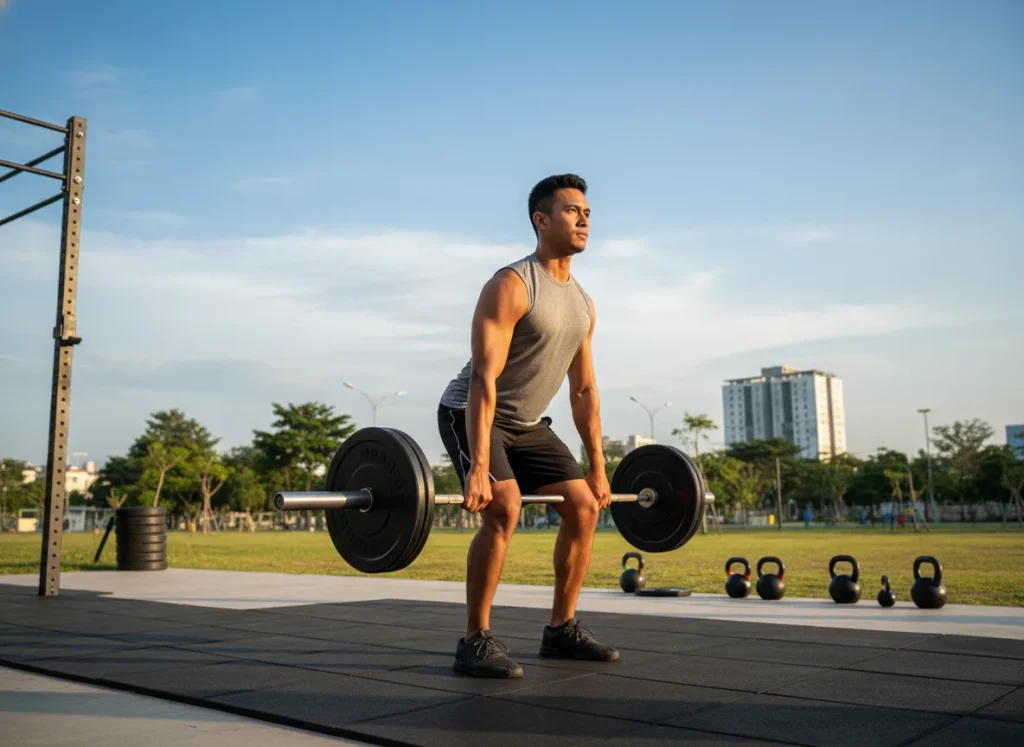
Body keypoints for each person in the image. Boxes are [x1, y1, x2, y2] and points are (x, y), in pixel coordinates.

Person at [437, 174, 619, 679]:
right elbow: (482, 377)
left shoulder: (583, 304)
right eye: (571, 211)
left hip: (529, 424)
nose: (584, 219)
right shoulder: (512, 285)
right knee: (505, 505)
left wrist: (598, 467)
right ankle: (474, 639)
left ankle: (561, 630)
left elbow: (583, 391)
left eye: (587, 212)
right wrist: (478, 467)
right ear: (541, 220)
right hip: (471, 412)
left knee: (583, 505)